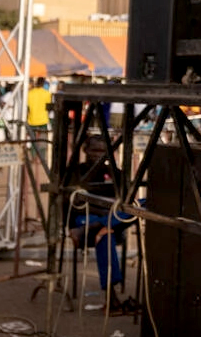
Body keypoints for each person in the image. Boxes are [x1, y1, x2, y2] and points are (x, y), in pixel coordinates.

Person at [68, 134, 134, 315]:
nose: (98, 155)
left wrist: (106, 219)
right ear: (85, 150)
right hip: (85, 220)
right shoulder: (76, 172)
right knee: (106, 235)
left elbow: (126, 206)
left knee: (138, 207)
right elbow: (73, 206)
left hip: (109, 220)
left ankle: (99, 226)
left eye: (103, 151)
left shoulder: (116, 173)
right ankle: (111, 298)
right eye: (94, 150)